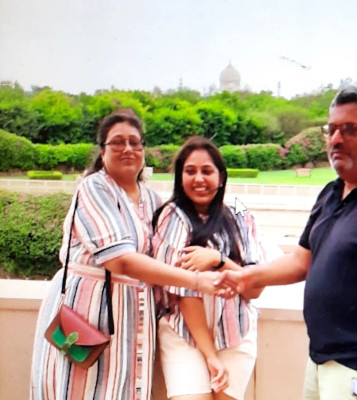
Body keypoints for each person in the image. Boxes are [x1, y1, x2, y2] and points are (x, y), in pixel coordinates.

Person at [181, 86, 357, 400]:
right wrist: (244, 277)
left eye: (350, 130)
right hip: (321, 358)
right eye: (331, 130)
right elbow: (300, 262)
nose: (336, 140)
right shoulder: (332, 194)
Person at [29, 109, 231, 400]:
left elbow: (166, 256)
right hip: (85, 314)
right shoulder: (93, 188)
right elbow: (119, 259)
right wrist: (196, 281)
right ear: (102, 152)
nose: (128, 149)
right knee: (76, 390)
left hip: (132, 322)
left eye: (135, 142)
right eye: (117, 142)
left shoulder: (152, 199)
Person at [152, 136, 268, 400]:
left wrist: (217, 260)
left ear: (221, 176)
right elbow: (183, 292)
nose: (199, 179)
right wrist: (210, 356)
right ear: (179, 177)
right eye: (190, 171)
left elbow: (255, 289)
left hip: (236, 333)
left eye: (207, 171)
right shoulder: (172, 216)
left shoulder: (241, 214)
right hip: (185, 335)